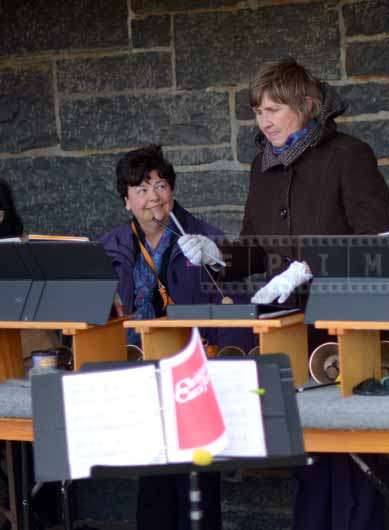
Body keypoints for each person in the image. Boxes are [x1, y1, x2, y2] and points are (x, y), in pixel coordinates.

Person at [176, 58, 389, 530]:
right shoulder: (263, 165)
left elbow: (377, 240)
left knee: (355, 454)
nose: (265, 121)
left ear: (306, 105)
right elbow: (255, 247)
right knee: (309, 451)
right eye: (258, 112)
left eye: (274, 109)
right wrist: (216, 254)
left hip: (346, 327)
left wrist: (309, 267)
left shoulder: (349, 155)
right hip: (288, 332)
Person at [99, 144, 222, 530]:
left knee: (195, 474)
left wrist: (218, 258)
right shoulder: (113, 244)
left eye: (161, 185)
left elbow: (235, 290)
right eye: (141, 189)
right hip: (139, 368)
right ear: (127, 201)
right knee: (152, 472)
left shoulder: (202, 236)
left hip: (193, 369)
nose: (153, 196)